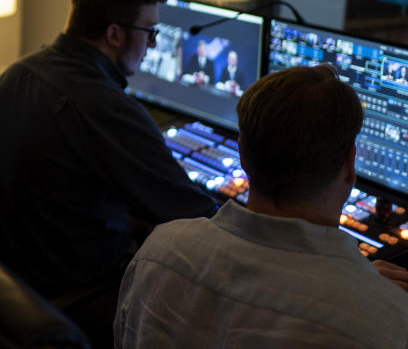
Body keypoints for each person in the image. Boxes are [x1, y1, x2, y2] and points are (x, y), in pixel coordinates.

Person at [0, 0, 217, 345]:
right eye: (150, 33)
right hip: (79, 283)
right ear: (114, 34)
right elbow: (191, 212)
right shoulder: (105, 107)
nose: (153, 45)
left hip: (13, 269)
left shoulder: (18, 72)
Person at [115, 65, 408, 348]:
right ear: (349, 165)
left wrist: (364, 288)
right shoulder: (386, 320)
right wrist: (369, 292)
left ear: (241, 153)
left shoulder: (157, 252)